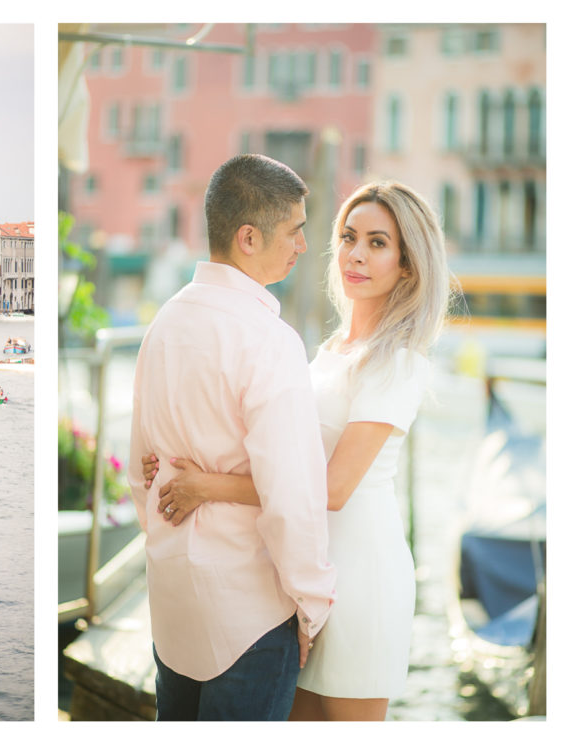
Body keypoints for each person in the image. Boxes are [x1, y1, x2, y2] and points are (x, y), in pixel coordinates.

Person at [142, 180, 453, 721]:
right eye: (350, 236)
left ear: (408, 265)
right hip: (294, 579)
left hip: (358, 575)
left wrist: (205, 486)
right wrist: (171, 462)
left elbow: (330, 489)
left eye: (378, 243)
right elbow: (274, 452)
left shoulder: (398, 363)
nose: (356, 254)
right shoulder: (330, 351)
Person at [127, 154, 337, 721]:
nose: (301, 245)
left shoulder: (163, 323)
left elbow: (137, 469)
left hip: (173, 603)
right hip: (249, 611)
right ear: (249, 237)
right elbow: (293, 493)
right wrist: (311, 605)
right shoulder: (270, 340)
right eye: (294, 230)